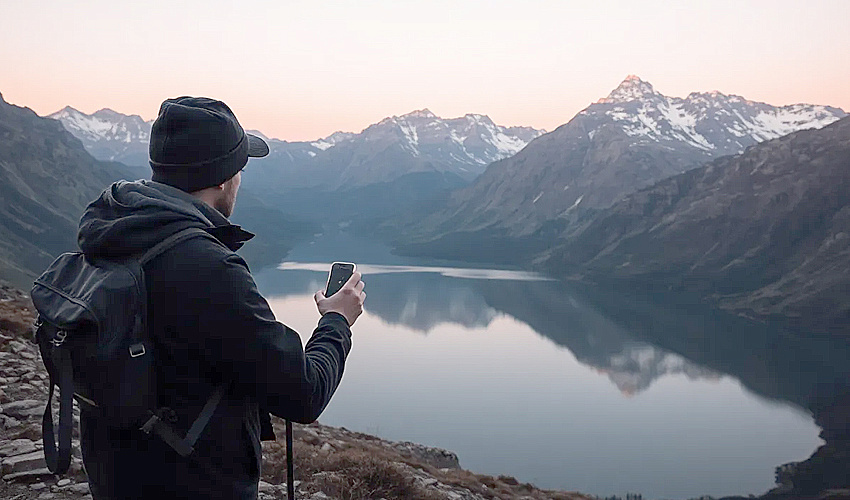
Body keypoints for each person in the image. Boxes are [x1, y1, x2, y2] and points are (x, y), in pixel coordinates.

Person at [75, 97, 365, 499]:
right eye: (240, 169)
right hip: (194, 483)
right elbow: (303, 393)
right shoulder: (207, 268)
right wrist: (336, 321)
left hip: (115, 475)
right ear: (223, 179)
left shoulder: (115, 230)